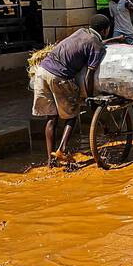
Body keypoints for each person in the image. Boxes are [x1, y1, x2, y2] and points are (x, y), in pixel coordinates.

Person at [31, 14, 112, 168]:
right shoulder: (96, 46)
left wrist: (113, 41)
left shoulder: (81, 32)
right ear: (105, 30)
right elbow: (89, 74)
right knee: (72, 115)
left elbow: (84, 45)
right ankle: (61, 150)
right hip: (59, 76)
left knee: (51, 118)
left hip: (42, 72)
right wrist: (90, 97)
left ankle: (51, 161)